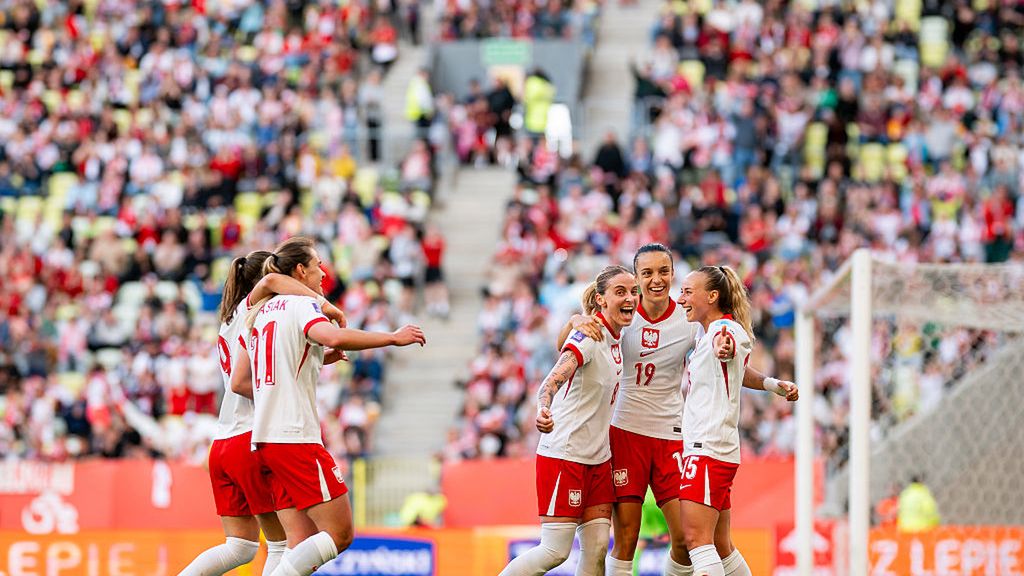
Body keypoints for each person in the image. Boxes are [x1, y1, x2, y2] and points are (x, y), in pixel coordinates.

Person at [557, 245, 796, 576]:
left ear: (672, 273)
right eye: (648, 273)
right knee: (626, 537)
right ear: (637, 278)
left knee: (686, 538)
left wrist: (760, 375)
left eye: (664, 272)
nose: (657, 280)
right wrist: (575, 320)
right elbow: (568, 345)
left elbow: (726, 350)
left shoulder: (691, 321)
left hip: (674, 436)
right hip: (626, 432)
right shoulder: (625, 313)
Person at [231, 237, 426, 576]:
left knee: (299, 543)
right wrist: (392, 337)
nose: (324, 272)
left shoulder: (258, 314)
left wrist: (321, 358)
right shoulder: (300, 305)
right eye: (318, 264)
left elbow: (261, 371)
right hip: (294, 437)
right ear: (300, 270)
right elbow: (333, 336)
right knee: (339, 534)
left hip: (263, 439)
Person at [179, 249, 345, 576]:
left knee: (240, 546)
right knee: (286, 544)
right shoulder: (256, 308)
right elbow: (245, 382)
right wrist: (324, 304)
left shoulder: (228, 321)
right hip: (251, 435)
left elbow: (264, 365)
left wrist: (317, 360)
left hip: (224, 438)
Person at [499, 265, 638, 576]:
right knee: (554, 551)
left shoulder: (617, 336)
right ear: (601, 300)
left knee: (599, 547)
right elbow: (551, 381)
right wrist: (542, 408)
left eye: (633, 292)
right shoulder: (589, 336)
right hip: (564, 453)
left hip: (599, 459)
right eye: (620, 292)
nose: (629, 298)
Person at [677, 265, 756, 576]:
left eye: (687, 292)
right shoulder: (704, 332)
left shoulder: (724, 331)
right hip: (712, 447)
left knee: (697, 540)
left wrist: (723, 347)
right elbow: (736, 368)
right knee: (721, 545)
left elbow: (726, 344)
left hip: (707, 448)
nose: (681, 299)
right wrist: (773, 384)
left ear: (711, 296)